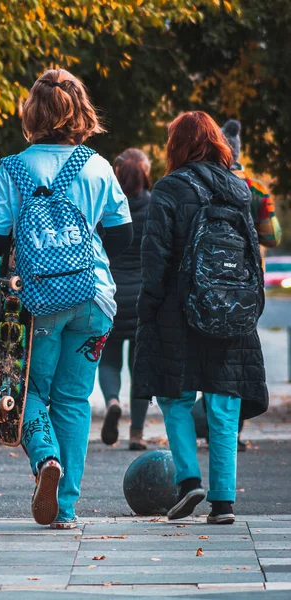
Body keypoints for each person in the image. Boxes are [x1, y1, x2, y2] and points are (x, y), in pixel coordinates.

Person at [0, 69, 132, 529]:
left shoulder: (12, 168)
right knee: (74, 400)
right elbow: (123, 236)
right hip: (93, 299)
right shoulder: (98, 166)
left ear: (32, 113)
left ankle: (45, 459)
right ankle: (65, 508)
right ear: (79, 111)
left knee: (27, 391)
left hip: (38, 301)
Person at [132, 111, 268, 524]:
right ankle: (224, 502)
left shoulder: (169, 189)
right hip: (232, 309)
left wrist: (147, 311)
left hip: (179, 309)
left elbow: (155, 258)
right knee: (224, 404)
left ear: (178, 145)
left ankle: (189, 481)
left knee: (176, 396)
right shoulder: (238, 189)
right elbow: (252, 252)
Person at [222, 119, 282, 450]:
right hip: (247, 282)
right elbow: (273, 237)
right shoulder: (256, 189)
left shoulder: (200, 183)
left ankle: (212, 427)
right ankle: (235, 432)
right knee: (239, 359)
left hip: (206, 282)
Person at [98, 149, 151, 450]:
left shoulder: (107, 206)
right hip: (143, 298)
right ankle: (137, 433)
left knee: (109, 358)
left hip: (112, 294)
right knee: (139, 366)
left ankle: (112, 402)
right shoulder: (155, 204)